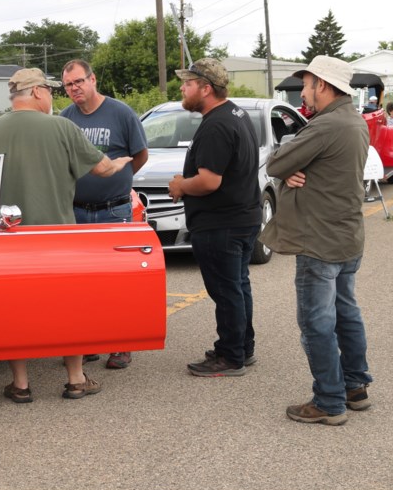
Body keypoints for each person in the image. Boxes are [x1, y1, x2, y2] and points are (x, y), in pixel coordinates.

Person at [0, 67, 132, 403]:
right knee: (65, 308)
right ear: (39, 92)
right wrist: (120, 164)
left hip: (8, 237)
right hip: (57, 235)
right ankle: (75, 379)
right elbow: (102, 169)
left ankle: (21, 385)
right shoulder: (61, 126)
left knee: (14, 309)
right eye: (51, 91)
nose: (53, 98)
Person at [258, 55, 371, 426]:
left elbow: (275, 163)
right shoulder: (353, 119)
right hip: (345, 236)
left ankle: (329, 400)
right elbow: (313, 167)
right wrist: (296, 170)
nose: (302, 91)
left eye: (305, 83)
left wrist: (289, 168)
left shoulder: (325, 125)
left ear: (321, 84)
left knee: (316, 323)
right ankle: (354, 386)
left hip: (319, 242)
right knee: (346, 314)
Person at [167, 58, 261, 377]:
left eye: (188, 83)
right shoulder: (236, 113)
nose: (182, 87)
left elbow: (209, 181)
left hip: (221, 223)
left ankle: (231, 355)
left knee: (226, 290)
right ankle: (242, 347)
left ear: (206, 88)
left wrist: (181, 185)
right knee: (237, 286)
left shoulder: (217, 124)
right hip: (242, 218)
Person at [59, 59, 149, 370]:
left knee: (118, 281)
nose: (74, 89)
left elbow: (140, 155)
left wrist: (119, 181)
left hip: (114, 211)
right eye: (69, 85)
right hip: (78, 212)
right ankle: (88, 343)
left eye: (79, 82)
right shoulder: (65, 118)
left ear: (93, 79)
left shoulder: (121, 113)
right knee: (83, 283)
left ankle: (121, 345)